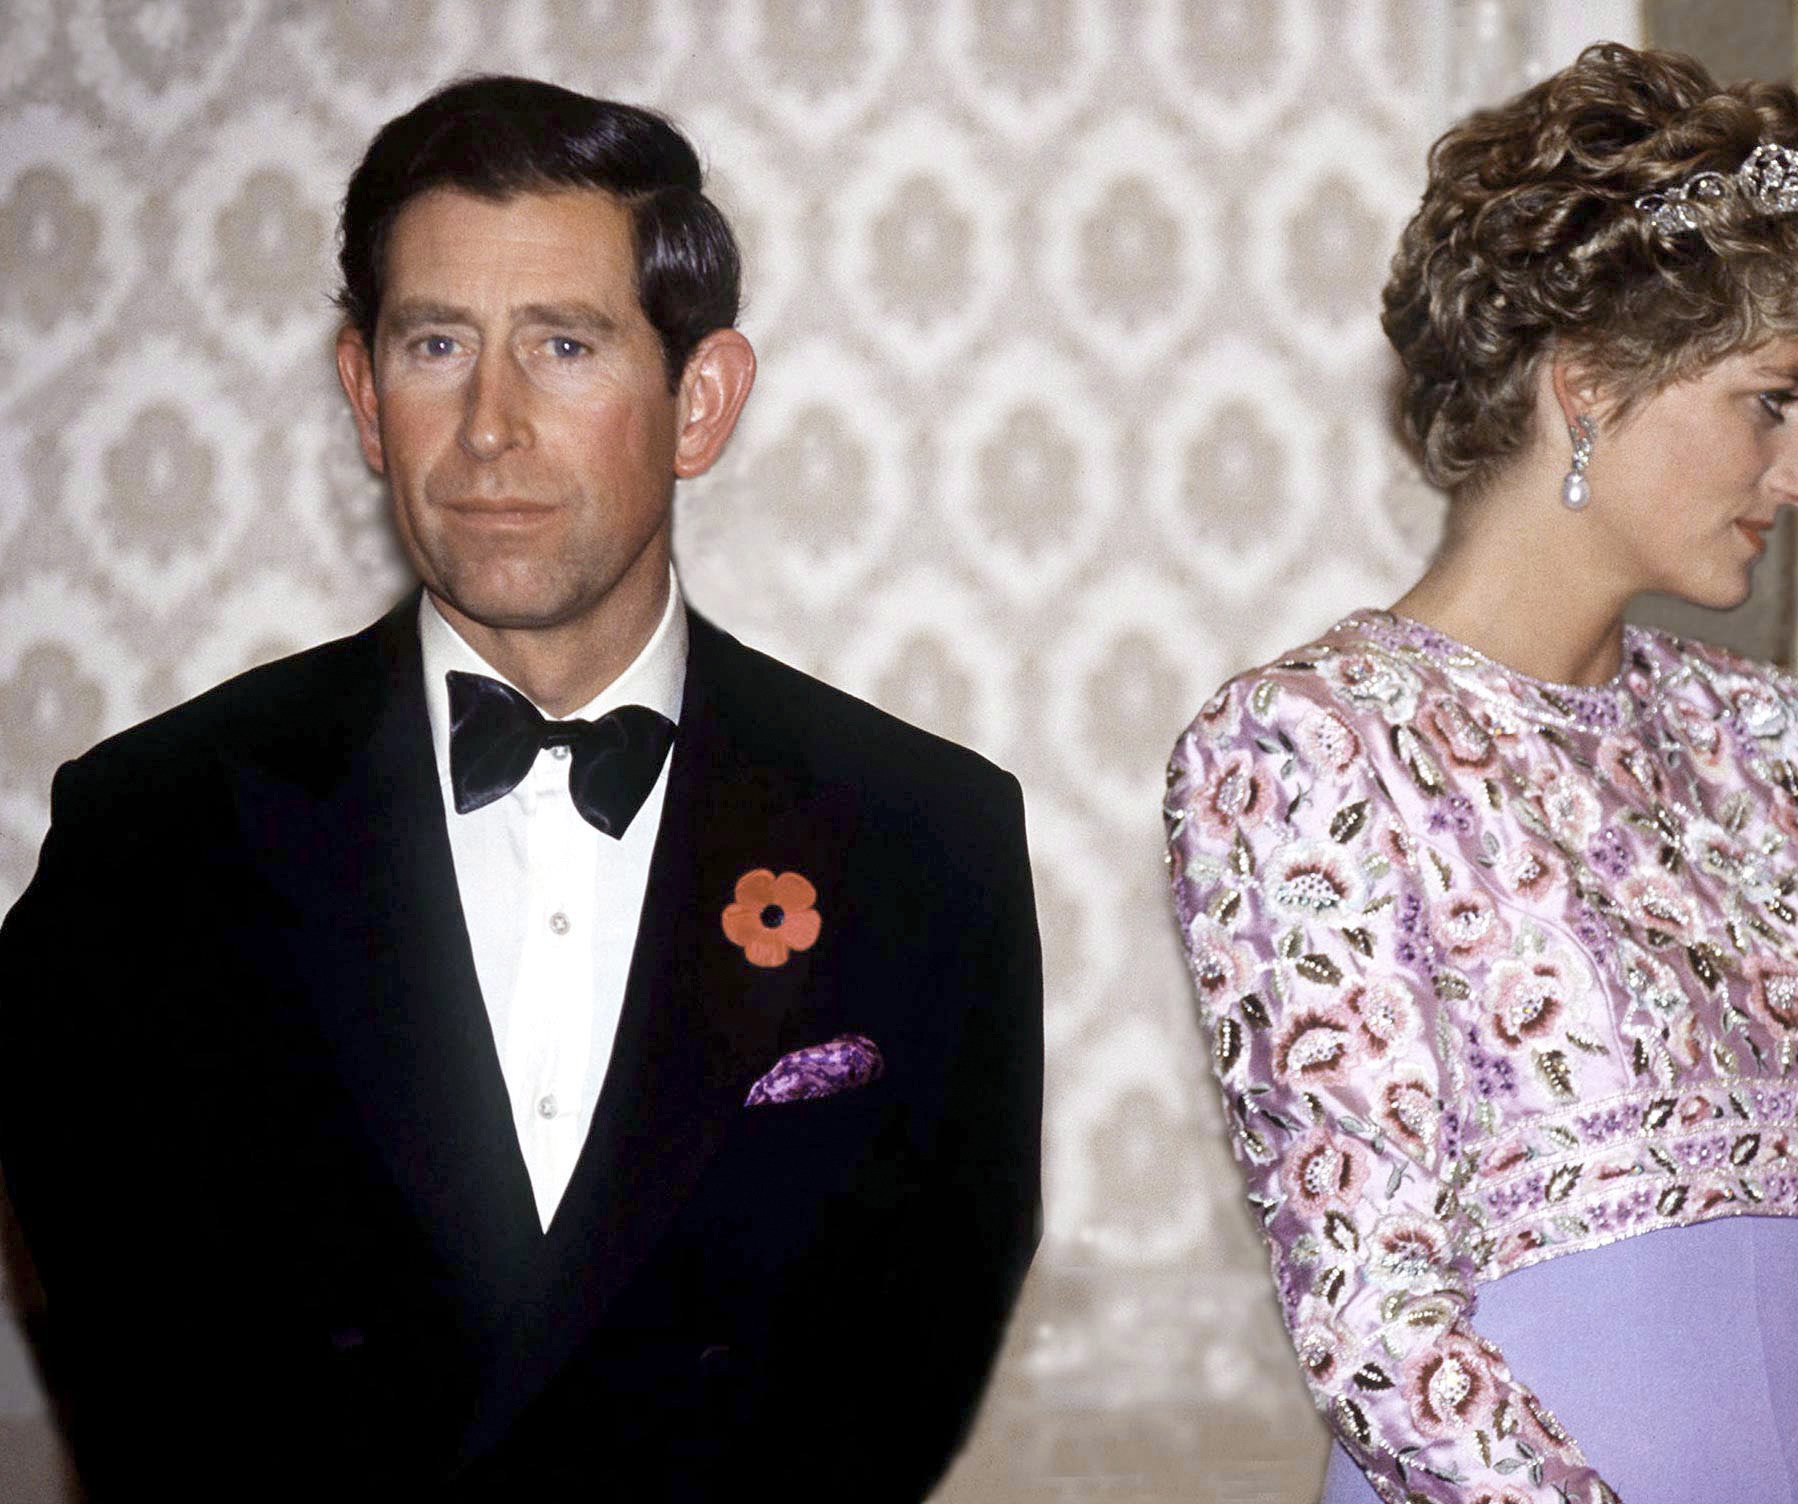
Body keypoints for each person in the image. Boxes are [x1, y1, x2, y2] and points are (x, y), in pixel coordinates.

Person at [0, 75, 1041, 1499]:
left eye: (563, 345)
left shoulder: (928, 842)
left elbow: (926, 1343)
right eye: (437, 345)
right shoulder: (149, 833)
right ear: (366, 396)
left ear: (699, 403)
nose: (489, 424)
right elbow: (130, 1355)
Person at [1162, 43, 1798, 1504]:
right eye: (1772, 401)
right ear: (1591, 387)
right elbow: (1374, 1321)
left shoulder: (1785, 746)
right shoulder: (1308, 746)